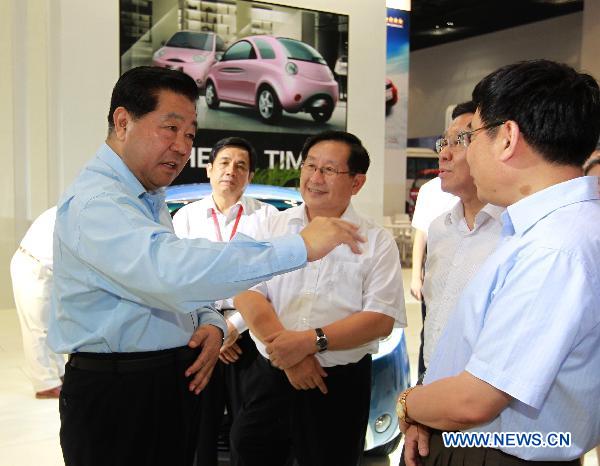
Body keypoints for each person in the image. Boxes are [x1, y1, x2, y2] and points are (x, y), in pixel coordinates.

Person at [48, 66, 364, 466]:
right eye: (171, 128)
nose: (182, 147)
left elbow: (167, 284)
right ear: (123, 121)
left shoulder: (145, 198)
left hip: (161, 383)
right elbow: (171, 272)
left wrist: (211, 321)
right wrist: (298, 246)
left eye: (191, 134)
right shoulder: (100, 204)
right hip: (120, 393)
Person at [398, 59, 600, 466]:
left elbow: (475, 401)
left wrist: (408, 403)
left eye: (471, 136)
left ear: (507, 137)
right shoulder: (555, 229)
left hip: (489, 452)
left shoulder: (552, 248)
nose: (464, 153)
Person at [230, 130, 407, 466]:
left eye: (329, 170)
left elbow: (380, 319)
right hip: (272, 373)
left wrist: (311, 342)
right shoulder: (270, 226)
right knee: (251, 450)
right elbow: (246, 291)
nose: (315, 177)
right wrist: (292, 354)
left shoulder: (376, 241)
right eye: (310, 166)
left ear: (357, 183)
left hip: (337, 384)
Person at [172, 136, 278, 466]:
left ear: (250, 175)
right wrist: (214, 328)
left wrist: (233, 326)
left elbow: (273, 277)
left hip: (250, 332)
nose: (231, 171)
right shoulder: (185, 219)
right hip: (198, 333)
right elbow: (177, 279)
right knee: (197, 427)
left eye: (241, 166)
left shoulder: (268, 217)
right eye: (224, 163)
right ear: (209, 169)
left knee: (250, 430)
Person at [421, 101, 504, 370]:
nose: (444, 154)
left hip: (482, 397)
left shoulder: (513, 230)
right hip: (431, 382)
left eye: (460, 141)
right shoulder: (440, 228)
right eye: (443, 143)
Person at [10, 206, 64, 399]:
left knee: (52, 325)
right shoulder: (74, 209)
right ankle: (45, 384)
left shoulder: (74, 206)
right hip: (32, 266)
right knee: (37, 329)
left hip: (45, 269)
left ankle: (57, 373)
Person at [410, 174, 458, 376]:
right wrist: (415, 275)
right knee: (429, 332)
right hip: (435, 274)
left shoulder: (478, 186)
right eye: (442, 145)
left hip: (461, 273)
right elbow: (421, 234)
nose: (445, 154)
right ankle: (423, 383)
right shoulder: (429, 189)